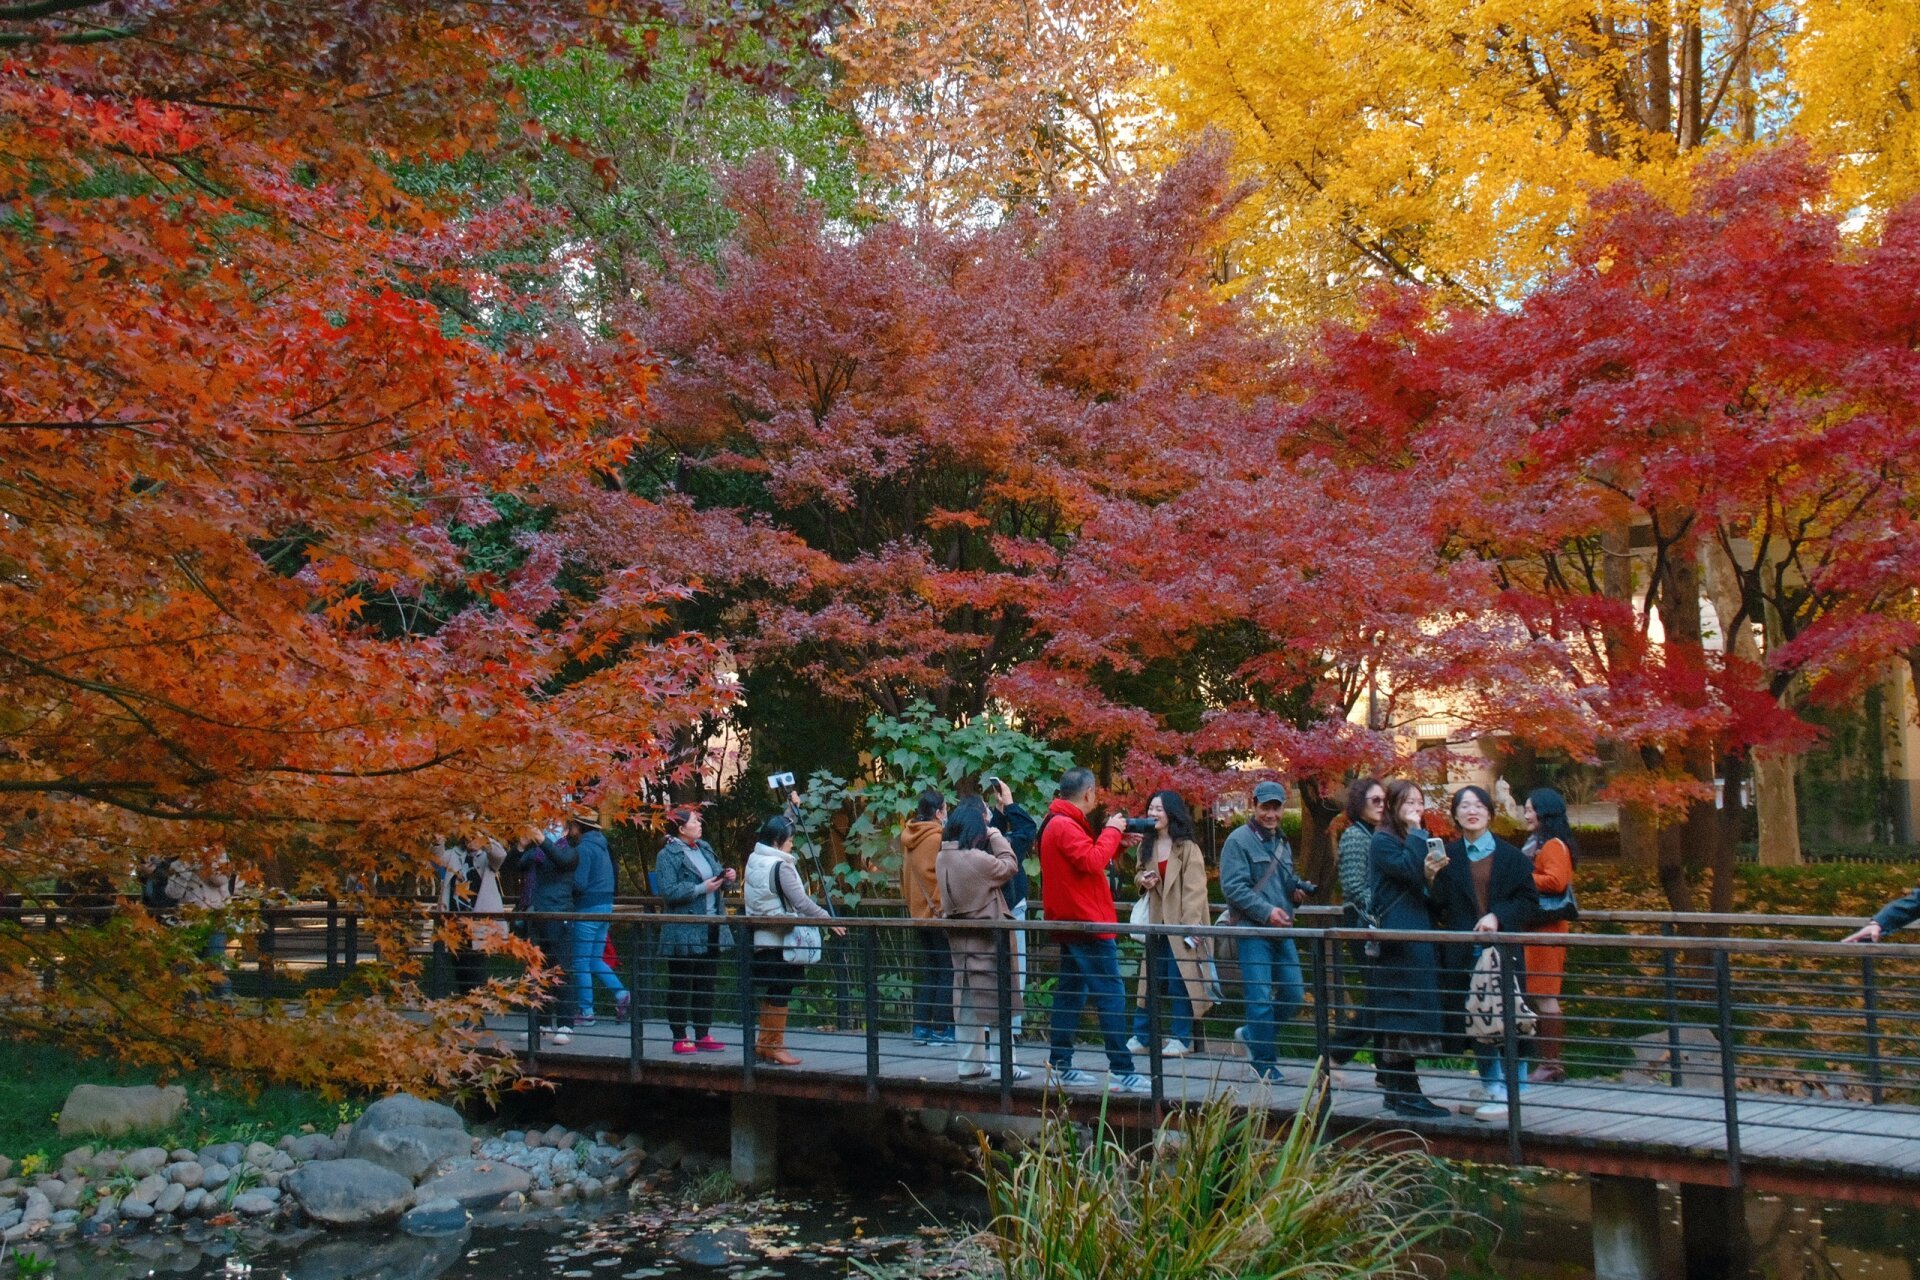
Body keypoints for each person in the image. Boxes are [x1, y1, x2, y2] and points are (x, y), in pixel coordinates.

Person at [1038, 766, 1149, 1094]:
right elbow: (1090, 863)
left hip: (1074, 922)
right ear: (1088, 793)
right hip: (1087, 923)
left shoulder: (1058, 822)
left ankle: (1061, 1063)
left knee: (1071, 994)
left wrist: (1117, 844)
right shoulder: (1065, 825)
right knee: (1111, 994)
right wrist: (1113, 831)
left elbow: (1085, 863)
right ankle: (1121, 1068)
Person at [1431, 785, 1539, 1121]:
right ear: (1456, 814)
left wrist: (1498, 915)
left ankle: (1514, 1089)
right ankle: (1491, 1086)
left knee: (1511, 1015)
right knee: (1476, 1017)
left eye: (1478, 805)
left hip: (1503, 950)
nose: (1471, 811)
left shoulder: (1512, 857)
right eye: (1464, 806)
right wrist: (1430, 876)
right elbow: (1437, 908)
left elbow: (1529, 902)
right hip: (1465, 951)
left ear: (1490, 813)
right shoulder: (1448, 858)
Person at [1367, 779, 1449, 1118]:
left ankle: (1399, 1089)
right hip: (1398, 938)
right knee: (1403, 1010)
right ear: (1394, 805)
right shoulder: (1383, 840)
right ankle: (1405, 1090)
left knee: (1406, 1010)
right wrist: (1417, 834)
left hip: (1416, 932)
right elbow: (1404, 869)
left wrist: (1432, 875)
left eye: (1419, 800)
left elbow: (1421, 883)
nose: (1416, 807)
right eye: (1408, 801)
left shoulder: (1409, 839)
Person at [1218, 779, 1307, 1082]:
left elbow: (1281, 881)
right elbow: (1233, 889)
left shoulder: (1282, 841)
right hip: (1252, 931)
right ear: (1253, 805)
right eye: (1265, 807)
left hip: (1281, 931)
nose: (1271, 814)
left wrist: (1294, 893)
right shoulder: (1238, 841)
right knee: (1259, 999)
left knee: (1294, 995)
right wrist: (1267, 912)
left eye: (1276, 807)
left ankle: (1253, 1034)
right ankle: (1264, 1063)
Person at [937, 804, 1029, 1081]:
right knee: (1000, 1005)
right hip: (989, 942)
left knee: (966, 1005)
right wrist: (996, 835)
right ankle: (1004, 1067)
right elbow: (1010, 865)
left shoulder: (944, 857)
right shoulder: (976, 859)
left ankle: (969, 1065)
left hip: (962, 942)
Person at [743, 813, 841, 1066]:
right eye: (789, 840)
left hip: (763, 937)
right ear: (777, 841)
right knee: (781, 989)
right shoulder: (781, 866)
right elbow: (801, 902)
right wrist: (829, 920)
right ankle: (773, 1045)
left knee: (774, 989)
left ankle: (765, 1043)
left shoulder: (756, 859)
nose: (792, 844)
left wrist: (790, 808)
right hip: (782, 939)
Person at [1126, 790, 1214, 1058]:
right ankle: (1143, 1036)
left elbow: (1195, 890)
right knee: (1150, 981)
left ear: (1171, 813)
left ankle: (1181, 1038)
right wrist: (1144, 881)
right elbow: (1138, 874)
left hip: (1181, 927)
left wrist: (1188, 928)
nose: (1153, 813)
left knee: (1181, 981)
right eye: (1150, 808)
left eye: (1159, 809)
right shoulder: (1146, 845)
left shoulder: (1188, 848)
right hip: (1156, 924)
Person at [654, 807, 734, 1055]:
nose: (699, 823)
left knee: (706, 983)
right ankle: (680, 1035)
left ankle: (703, 1033)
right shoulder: (667, 855)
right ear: (681, 829)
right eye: (694, 821)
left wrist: (727, 877)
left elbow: (716, 877)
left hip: (711, 925)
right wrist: (700, 889)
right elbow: (668, 891)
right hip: (684, 928)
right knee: (681, 982)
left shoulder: (705, 847)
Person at [1521, 787, 1578, 1082]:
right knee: (1539, 994)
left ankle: (1550, 1064)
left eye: (1530, 809)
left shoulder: (1553, 845)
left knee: (1545, 996)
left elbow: (1556, 881)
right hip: (1537, 930)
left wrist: (1520, 876)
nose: (1526, 814)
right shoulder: (1540, 842)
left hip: (1546, 930)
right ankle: (1547, 1063)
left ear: (1544, 812)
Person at [1330, 776, 1386, 1063]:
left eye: (1384, 800)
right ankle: (1336, 1052)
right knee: (1379, 995)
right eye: (1374, 800)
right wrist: (1385, 904)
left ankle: (1384, 1068)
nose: (1382, 805)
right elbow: (1353, 887)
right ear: (1359, 804)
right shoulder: (1355, 836)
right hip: (1362, 922)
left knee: (1381, 994)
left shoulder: (1378, 833)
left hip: (1376, 922)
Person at [505, 825, 579, 1044]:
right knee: (536, 972)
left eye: (554, 825)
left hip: (558, 915)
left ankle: (566, 1024)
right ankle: (541, 1023)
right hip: (534, 917)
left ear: (565, 831)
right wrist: (520, 846)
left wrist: (543, 840)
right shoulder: (534, 853)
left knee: (562, 970)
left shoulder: (570, 851)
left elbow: (562, 862)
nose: (548, 829)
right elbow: (509, 867)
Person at [901, 788, 955, 1045]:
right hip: (936, 913)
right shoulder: (936, 838)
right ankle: (943, 1028)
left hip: (918, 913)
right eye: (945, 808)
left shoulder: (910, 837)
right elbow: (942, 876)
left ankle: (921, 1026)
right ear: (937, 812)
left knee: (931, 969)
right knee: (947, 969)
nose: (947, 813)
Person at [567, 807, 629, 1027]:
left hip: (587, 907)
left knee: (581, 962)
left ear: (579, 826)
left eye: (571, 824)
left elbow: (580, 883)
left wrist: (566, 887)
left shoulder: (584, 848)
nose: (569, 828)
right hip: (605, 907)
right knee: (594, 959)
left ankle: (586, 1011)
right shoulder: (602, 845)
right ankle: (621, 993)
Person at [985, 779, 1037, 1035]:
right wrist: (1011, 804)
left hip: (985, 912)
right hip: (1011, 909)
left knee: (987, 972)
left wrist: (999, 812)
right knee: (1016, 971)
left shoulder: (973, 847)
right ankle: (1011, 1030)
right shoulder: (1004, 849)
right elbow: (1027, 830)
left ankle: (988, 1028)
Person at [435, 835, 508, 996]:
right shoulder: (454, 854)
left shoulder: (487, 857)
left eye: (473, 836)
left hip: (479, 924)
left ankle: (476, 1014)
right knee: (460, 968)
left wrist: (485, 840)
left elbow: (500, 854)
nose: (471, 841)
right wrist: (438, 842)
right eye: (467, 837)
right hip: (456, 921)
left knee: (475, 968)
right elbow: (437, 859)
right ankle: (469, 1013)